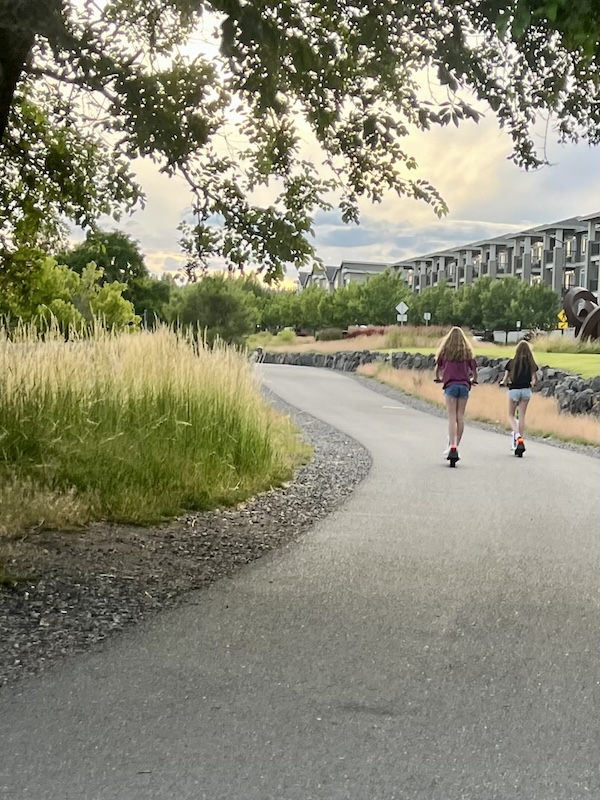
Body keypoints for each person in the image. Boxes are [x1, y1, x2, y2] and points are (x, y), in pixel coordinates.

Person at [434, 327, 478, 462]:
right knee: (460, 417)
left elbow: (437, 369)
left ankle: (451, 445)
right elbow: (475, 370)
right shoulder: (467, 353)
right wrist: (474, 380)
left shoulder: (445, 352)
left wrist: (438, 378)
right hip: (464, 386)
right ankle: (457, 446)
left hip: (450, 386)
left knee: (452, 417)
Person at [499, 340, 539, 451]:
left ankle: (517, 435)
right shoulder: (531, 363)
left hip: (514, 390)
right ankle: (520, 441)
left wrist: (503, 383)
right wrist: (532, 383)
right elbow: (535, 379)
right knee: (521, 416)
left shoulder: (511, 363)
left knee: (510, 415)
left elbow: (505, 379)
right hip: (526, 390)